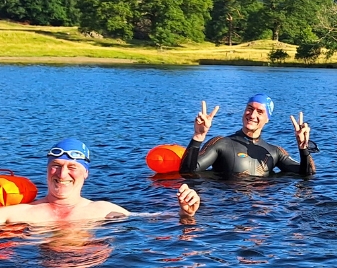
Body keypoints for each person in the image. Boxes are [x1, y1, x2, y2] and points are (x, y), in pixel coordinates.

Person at [1, 138, 200, 225]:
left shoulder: (103, 210)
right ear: (47, 169)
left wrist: (185, 213)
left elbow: (153, 218)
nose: (62, 175)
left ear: (85, 173)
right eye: (56, 165)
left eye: (72, 168)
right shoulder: (16, 213)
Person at [179, 95, 315, 178]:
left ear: (267, 119)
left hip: (262, 219)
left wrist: (304, 149)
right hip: (226, 213)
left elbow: (307, 175)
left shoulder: (274, 152)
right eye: (249, 108)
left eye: (260, 112)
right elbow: (188, 173)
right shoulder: (222, 143)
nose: (252, 115)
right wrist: (198, 135)